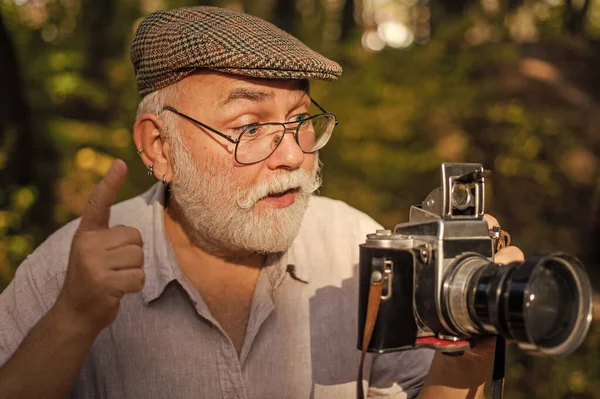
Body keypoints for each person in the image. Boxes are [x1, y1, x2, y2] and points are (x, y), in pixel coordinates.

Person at [0, 6, 524, 399]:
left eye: (299, 120)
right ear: (160, 147)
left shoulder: (354, 248)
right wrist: (71, 320)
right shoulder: (66, 273)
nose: (294, 155)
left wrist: (464, 354)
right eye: (249, 128)